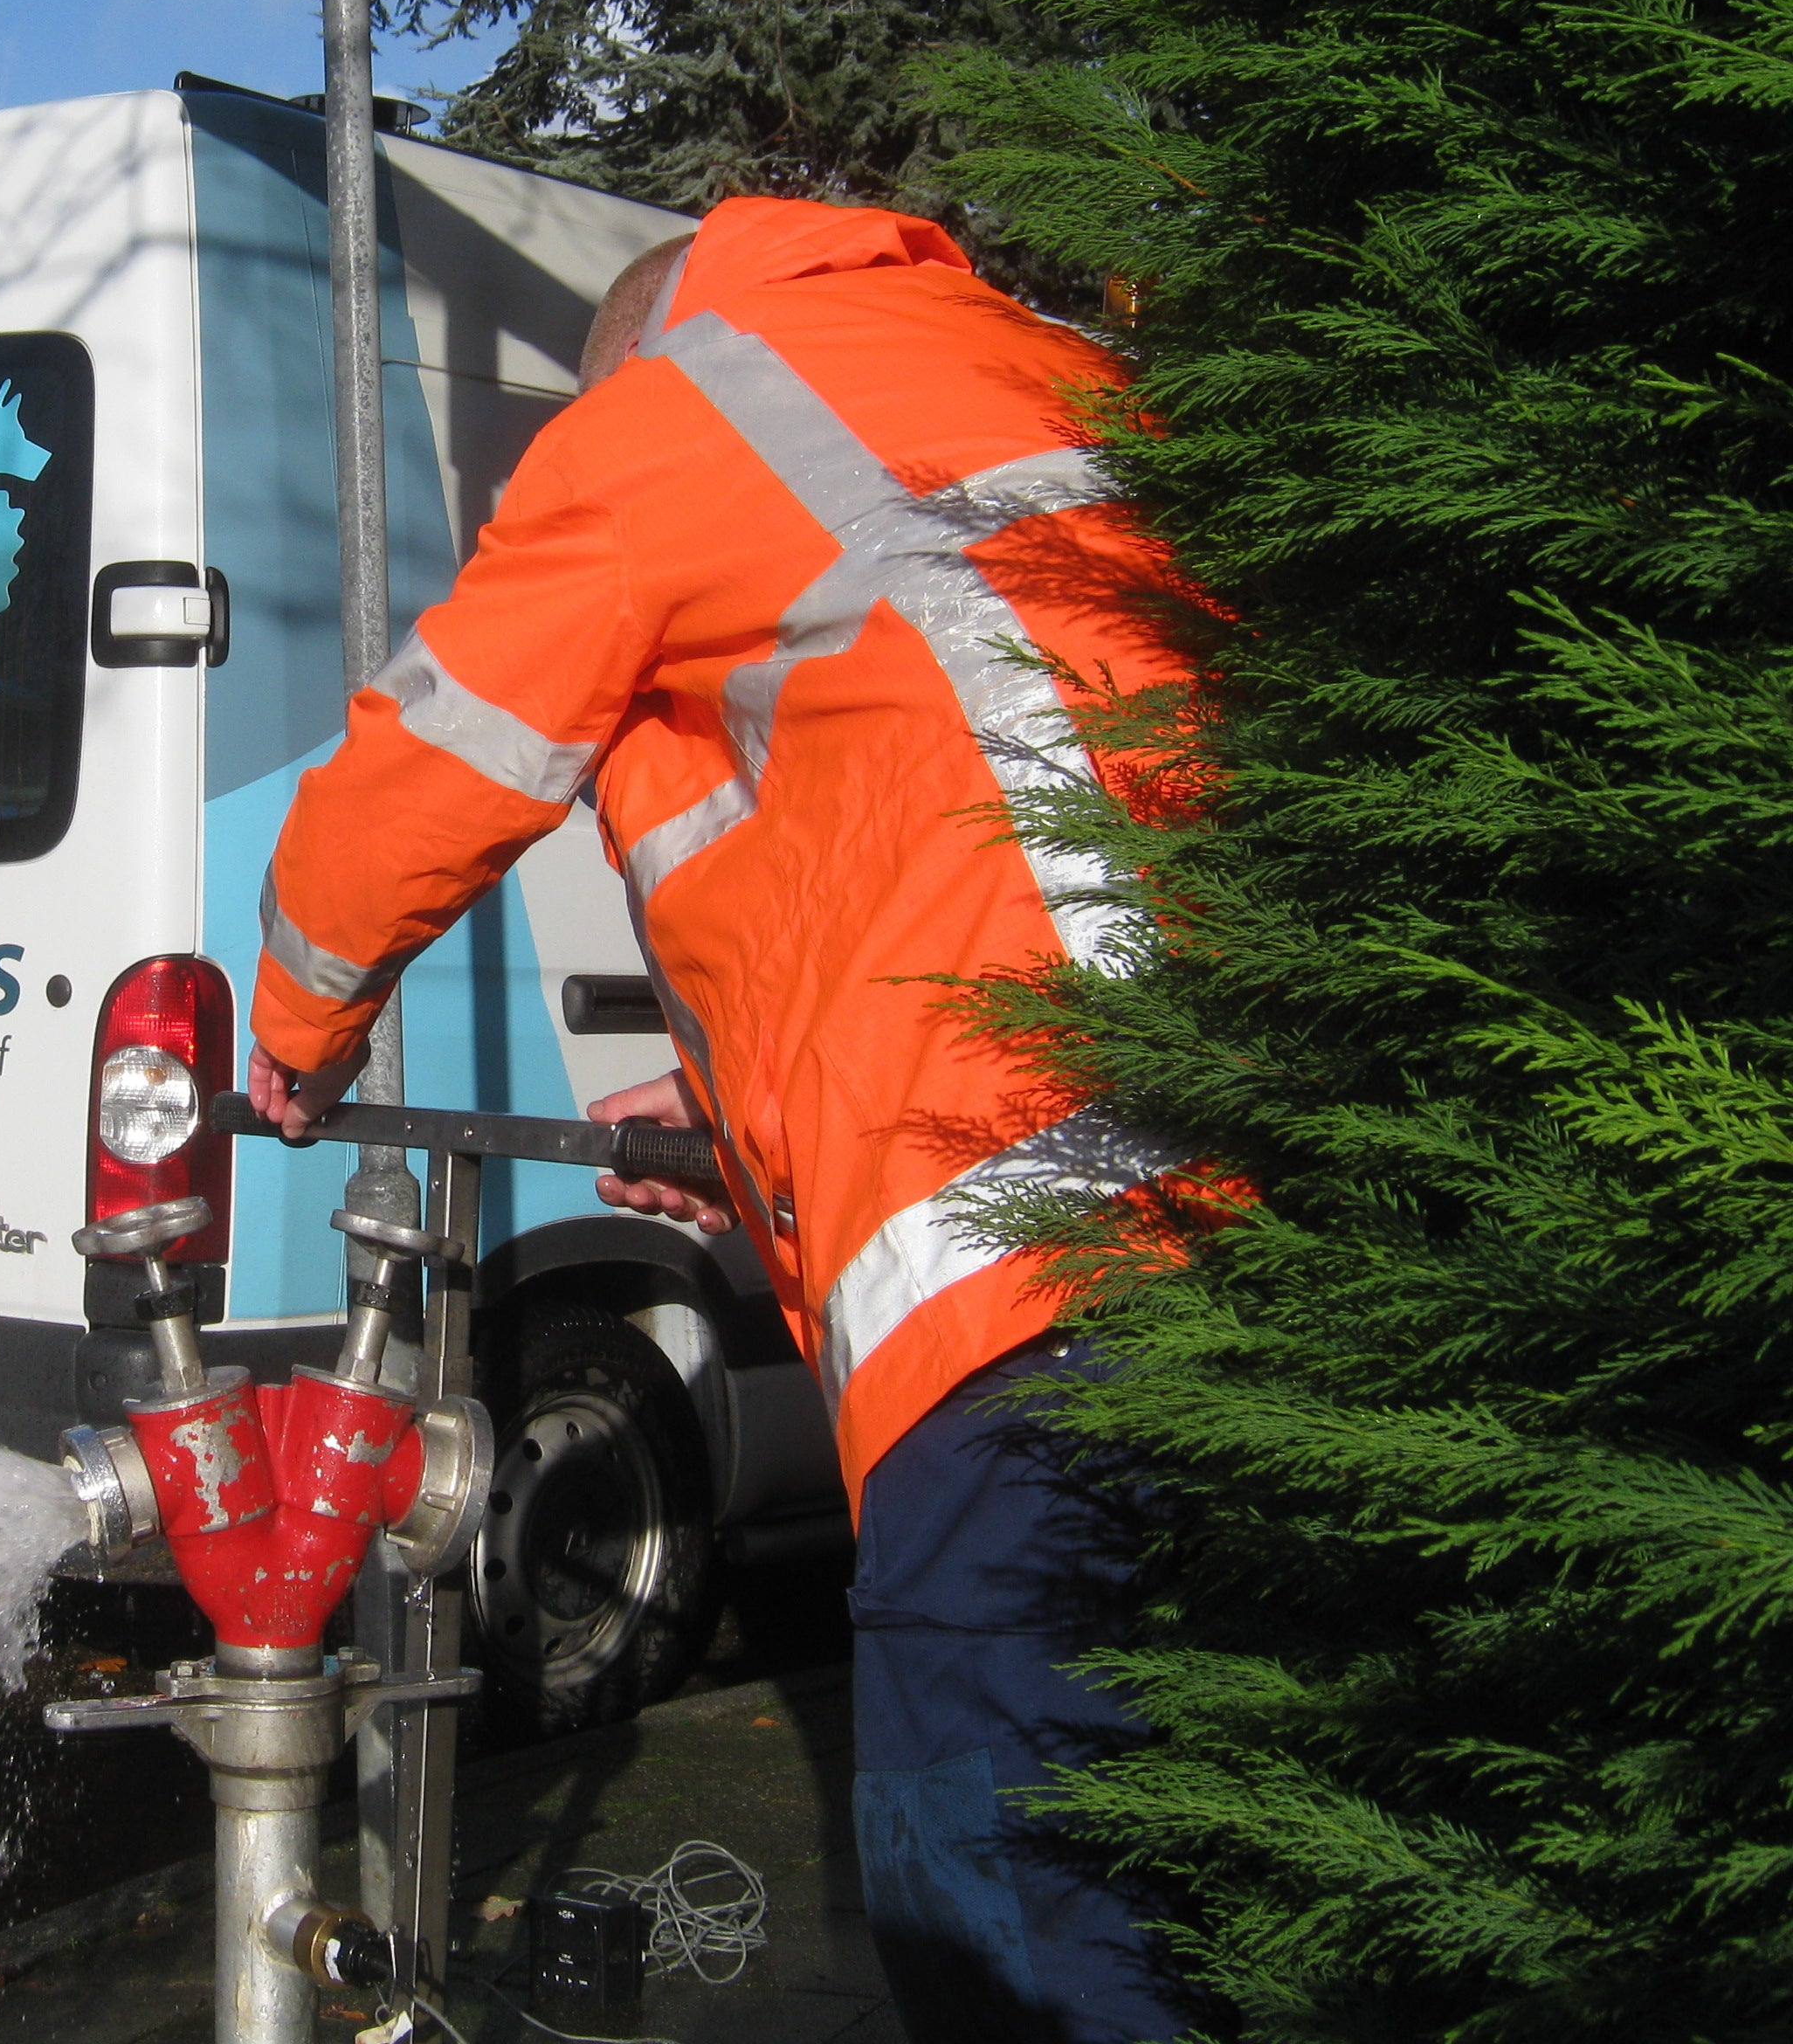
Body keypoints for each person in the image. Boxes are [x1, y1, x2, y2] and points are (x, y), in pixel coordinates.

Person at [244, 197, 1198, 2042]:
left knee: (1003, 1892)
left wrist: (300, 1031)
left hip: (1024, 1278)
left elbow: (430, 763)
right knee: (1217, 1836)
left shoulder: (681, 410)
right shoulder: (1065, 373)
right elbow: (997, 803)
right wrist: (731, 1105)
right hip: (1267, 1200)